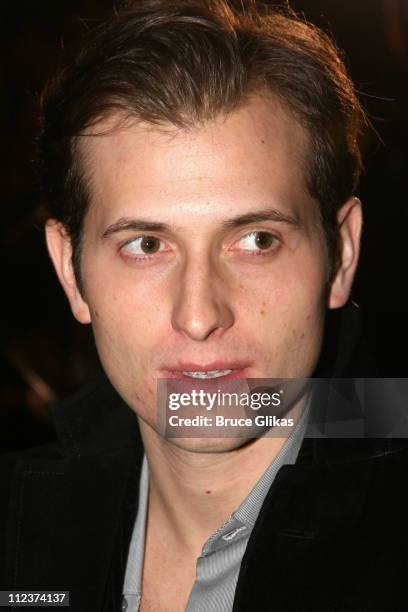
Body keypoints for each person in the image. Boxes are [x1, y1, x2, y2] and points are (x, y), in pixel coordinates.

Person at [1, 1, 407, 610]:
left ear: (342, 254)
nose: (198, 315)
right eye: (145, 245)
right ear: (70, 270)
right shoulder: (16, 522)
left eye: (256, 241)